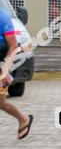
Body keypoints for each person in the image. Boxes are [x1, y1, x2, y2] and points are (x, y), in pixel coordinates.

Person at [0, 8, 32, 139]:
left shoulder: (2, 17)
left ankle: (23, 119)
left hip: (4, 62)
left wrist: (5, 71)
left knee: (0, 103)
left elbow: (13, 45)